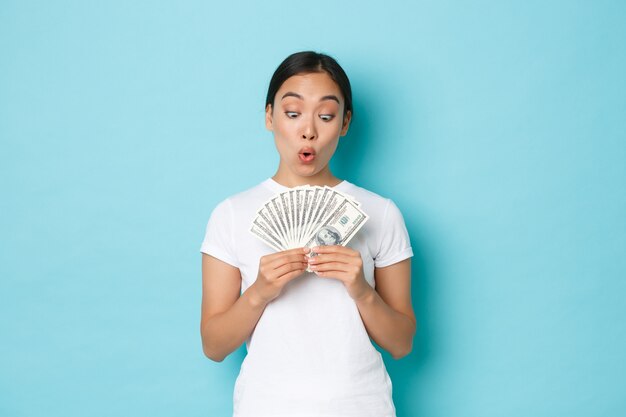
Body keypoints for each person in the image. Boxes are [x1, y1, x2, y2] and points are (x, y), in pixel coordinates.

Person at [200, 51, 416, 417]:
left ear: (345, 123)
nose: (309, 130)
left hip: (361, 406)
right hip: (266, 406)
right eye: (293, 113)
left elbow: (401, 343)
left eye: (327, 115)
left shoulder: (381, 213)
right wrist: (259, 293)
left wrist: (361, 289)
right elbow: (214, 346)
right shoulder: (231, 214)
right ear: (269, 117)